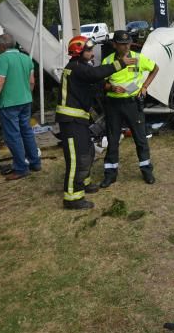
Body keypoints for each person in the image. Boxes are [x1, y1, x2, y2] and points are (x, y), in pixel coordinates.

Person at [56, 35, 132, 210]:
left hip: (78, 119)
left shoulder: (80, 67)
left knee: (87, 152)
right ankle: (72, 198)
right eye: (88, 50)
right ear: (78, 52)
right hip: (71, 121)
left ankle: (84, 183)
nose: (91, 53)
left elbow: (95, 83)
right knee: (76, 159)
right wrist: (120, 63)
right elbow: (96, 74)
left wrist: (112, 88)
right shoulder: (76, 68)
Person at [100, 29, 159, 186]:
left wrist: (145, 86)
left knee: (140, 138)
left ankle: (147, 171)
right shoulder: (107, 61)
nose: (126, 47)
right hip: (113, 105)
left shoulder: (138, 58)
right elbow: (101, 83)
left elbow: (155, 68)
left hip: (133, 103)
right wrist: (111, 88)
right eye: (122, 44)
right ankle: (110, 174)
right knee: (112, 140)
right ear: (114, 45)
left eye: (128, 44)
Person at [0, 34, 40, 181]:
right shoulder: (26, 58)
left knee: (13, 135)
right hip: (25, 101)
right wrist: (26, 94)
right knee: (26, 132)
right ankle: (35, 162)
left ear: (1, 46)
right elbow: (32, 81)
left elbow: (0, 81)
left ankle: (21, 168)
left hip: (9, 103)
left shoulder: (3, 58)